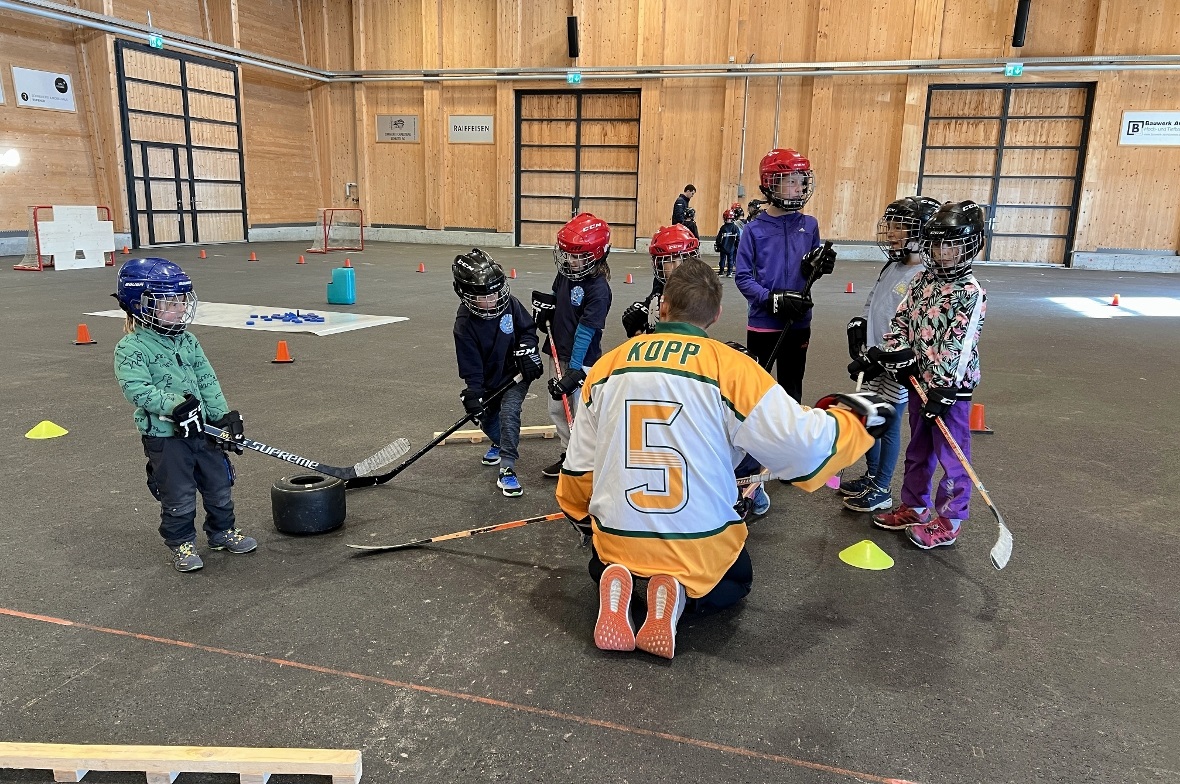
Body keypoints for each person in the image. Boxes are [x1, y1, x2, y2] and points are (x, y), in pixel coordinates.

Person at [556, 257, 890, 659]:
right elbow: (799, 445)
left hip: (619, 537)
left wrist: (581, 516)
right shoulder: (731, 368)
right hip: (695, 543)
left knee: (605, 553)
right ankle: (678, 595)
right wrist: (853, 422)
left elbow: (578, 467)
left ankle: (617, 579)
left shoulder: (608, 366)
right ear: (715, 315)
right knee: (735, 580)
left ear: (662, 306)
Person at [112, 258, 254, 573]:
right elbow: (136, 389)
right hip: (167, 439)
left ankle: (222, 531)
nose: (178, 308)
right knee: (178, 493)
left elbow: (207, 379)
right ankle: (182, 544)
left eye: (181, 301)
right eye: (168, 302)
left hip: (203, 431)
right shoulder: (131, 348)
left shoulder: (188, 341)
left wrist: (222, 417)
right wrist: (175, 405)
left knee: (219, 484)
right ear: (139, 304)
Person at [864, 201, 987, 550]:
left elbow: (959, 345)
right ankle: (915, 506)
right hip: (917, 383)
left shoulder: (970, 293)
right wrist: (894, 354)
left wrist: (944, 389)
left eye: (952, 244)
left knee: (952, 457)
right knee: (918, 450)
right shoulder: (921, 281)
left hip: (949, 392)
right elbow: (901, 321)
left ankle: (950, 519)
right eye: (936, 244)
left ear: (970, 246)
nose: (942, 252)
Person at [840, 196, 941, 513]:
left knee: (888, 423)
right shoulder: (892, 267)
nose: (894, 233)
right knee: (869, 418)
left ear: (922, 232)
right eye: (892, 226)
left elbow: (914, 327)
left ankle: (882, 487)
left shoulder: (924, 276)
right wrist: (860, 327)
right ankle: (871, 477)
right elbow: (874, 304)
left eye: (902, 226)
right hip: (873, 359)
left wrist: (881, 355)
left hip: (895, 365)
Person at [734, 148, 836, 404]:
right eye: (791, 181)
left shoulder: (809, 225)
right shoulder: (753, 230)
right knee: (759, 391)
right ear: (771, 184)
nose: (799, 187)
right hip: (763, 323)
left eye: (802, 181)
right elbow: (743, 277)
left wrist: (818, 267)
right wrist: (770, 299)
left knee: (792, 388)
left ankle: (789, 442)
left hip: (798, 322)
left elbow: (806, 271)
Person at [452, 249, 544, 497]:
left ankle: (508, 467)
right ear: (466, 295)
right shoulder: (464, 324)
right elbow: (471, 365)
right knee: (485, 415)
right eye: (484, 297)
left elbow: (528, 330)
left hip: (515, 375)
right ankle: (499, 441)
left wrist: (528, 350)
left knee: (509, 412)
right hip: (489, 379)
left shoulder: (510, 305)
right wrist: (474, 392)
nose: (493, 300)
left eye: (496, 292)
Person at [531, 213, 613, 479]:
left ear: (597, 255)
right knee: (557, 407)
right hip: (559, 351)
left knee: (581, 413)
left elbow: (587, 330)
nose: (570, 261)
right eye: (567, 254)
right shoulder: (567, 272)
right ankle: (568, 453)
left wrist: (575, 371)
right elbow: (556, 296)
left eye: (578, 256)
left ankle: (586, 459)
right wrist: (547, 310)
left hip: (582, 359)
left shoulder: (599, 290)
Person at [620, 224, 699, 339]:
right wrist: (640, 315)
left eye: (683, 259)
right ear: (659, 265)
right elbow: (653, 300)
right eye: (669, 261)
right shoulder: (660, 283)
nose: (677, 267)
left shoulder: (696, 293)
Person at [714, 207, 742, 277]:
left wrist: (718, 244)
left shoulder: (723, 227)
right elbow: (738, 237)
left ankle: (721, 271)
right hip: (732, 247)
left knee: (722, 260)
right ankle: (729, 272)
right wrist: (738, 245)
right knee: (730, 260)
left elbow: (719, 237)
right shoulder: (735, 227)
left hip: (723, 247)